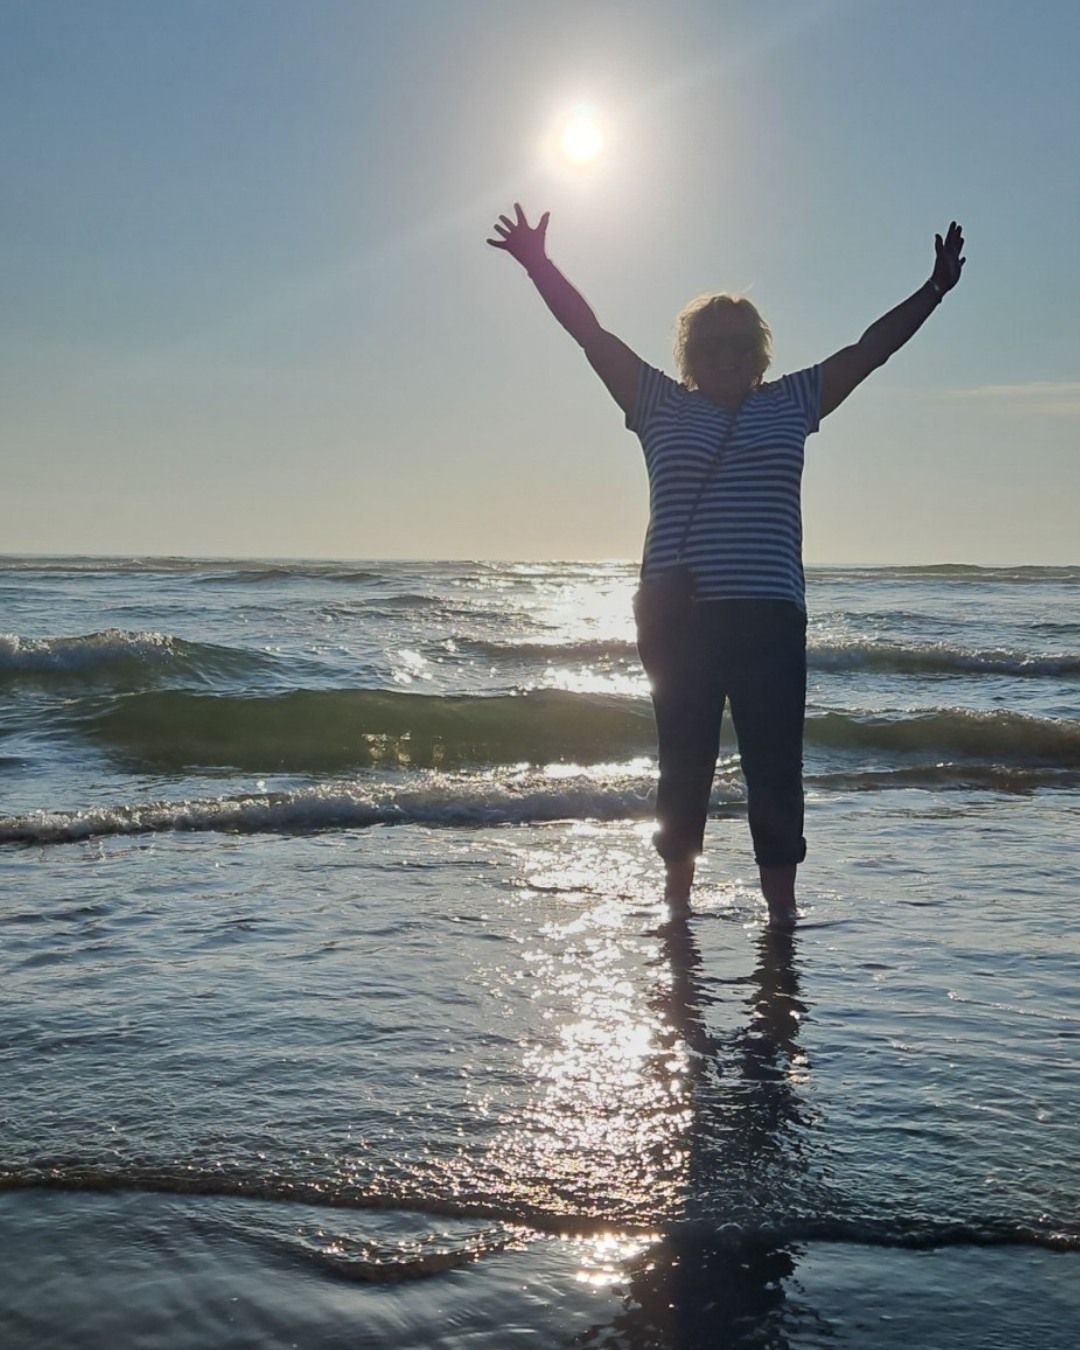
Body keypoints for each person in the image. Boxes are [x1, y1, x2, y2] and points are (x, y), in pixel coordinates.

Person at [487, 205, 965, 925]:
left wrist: (933, 291)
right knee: (684, 767)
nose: (724, 357)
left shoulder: (794, 401)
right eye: (709, 346)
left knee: (776, 770)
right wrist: (539, 264)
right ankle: (677, 906)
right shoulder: (656, 402)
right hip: (679, 620)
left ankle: (782, 917)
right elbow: (591, 335)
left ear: (759, 352)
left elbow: (870, 351)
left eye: (739, 345)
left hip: (769, 618)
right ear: (689, 355)